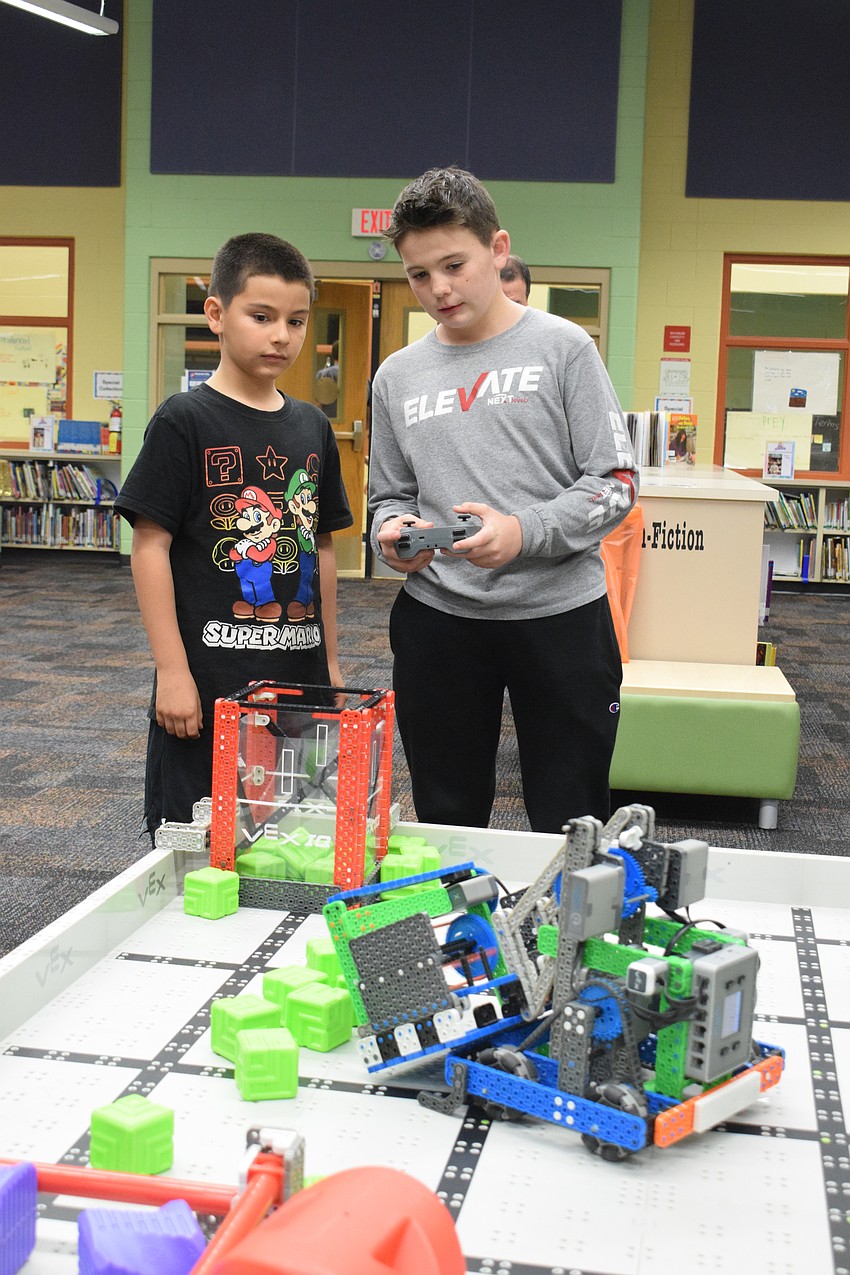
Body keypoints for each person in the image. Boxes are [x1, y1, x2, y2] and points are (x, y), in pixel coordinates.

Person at [368, 167, 638, 834]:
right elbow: (388, 495)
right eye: (418, 274)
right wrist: (391, 532)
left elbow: (617, 484)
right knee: (446, 816)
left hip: (562, 618)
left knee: (572, 818)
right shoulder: (396, 376)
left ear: (497, 248)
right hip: (440, 620)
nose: (438, 288)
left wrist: (524, 531)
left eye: (454, 265)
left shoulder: (564, 348)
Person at [116, 232, 353, 835]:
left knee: (295, 835)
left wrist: (330, 661)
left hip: (298, 677)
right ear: (217, 314)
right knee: (199, 837)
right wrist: (172, 672)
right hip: (210, 681)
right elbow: (150, 547)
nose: (282, 336)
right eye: (262, 316)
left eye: (296, 321)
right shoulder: (184, 419)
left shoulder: (312, 426)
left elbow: (320, 546)